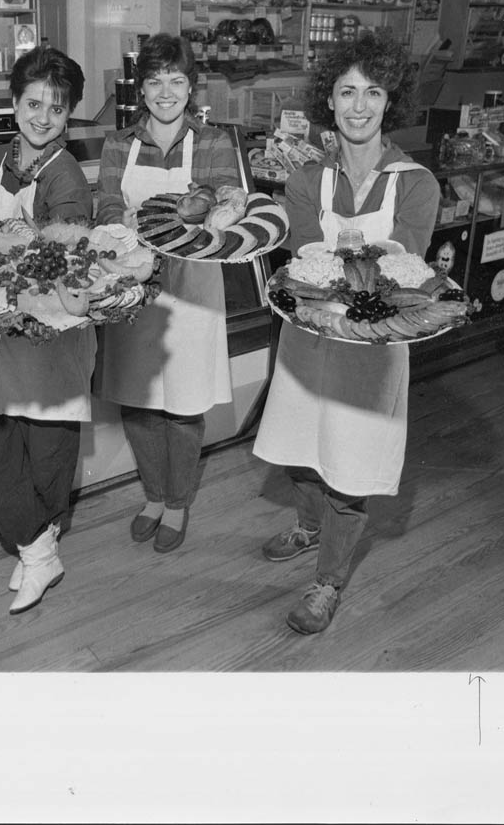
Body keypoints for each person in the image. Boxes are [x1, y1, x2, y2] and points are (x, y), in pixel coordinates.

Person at [252, 32, 440, 635]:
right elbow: (308, 256)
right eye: (347, 91)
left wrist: (339, 262)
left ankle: (329, 581)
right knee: (303, 444)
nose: (359, 106)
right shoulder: (307, 180)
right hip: (308, 338)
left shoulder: (416, 183)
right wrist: (345, 262)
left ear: (391, 103)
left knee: (352, 459)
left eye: (374, 92)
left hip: (374, 345)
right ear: (328, 102)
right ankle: (309, 526)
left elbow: (399, 268)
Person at [0, 46, 94, 614]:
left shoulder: (66, 172)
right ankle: (37, 552)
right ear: (14, 103)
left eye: (57, 106)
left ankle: (35, 551)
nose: (43, 116)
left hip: (49, 338)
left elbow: (67, 239)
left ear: (70, 112)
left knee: (48, 455)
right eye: (33, 103)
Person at [95, 33, 241, 553]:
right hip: (134, 285)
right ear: (142, 87)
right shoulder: (120, 144)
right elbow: (108, 205)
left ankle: (178, 502)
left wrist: (186, 219)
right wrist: (123, 226)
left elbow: (223, 200)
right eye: (155, 81)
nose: (165, 91)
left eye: (176, 80)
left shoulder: (213, 140)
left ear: (191, 86)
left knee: (183, 406)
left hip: (193, 289)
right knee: (138, 402)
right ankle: (153, 495)